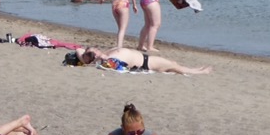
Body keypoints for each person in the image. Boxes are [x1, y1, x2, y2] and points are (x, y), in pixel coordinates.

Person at [72, 46, 212, 75]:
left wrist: (87, 55)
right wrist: (91, 58)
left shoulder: (107, 53)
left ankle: (196, 70)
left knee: (174, 65)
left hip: (146, 59)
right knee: (174, 66)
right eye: (93, 53)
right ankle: (199, 72)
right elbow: (82, 54)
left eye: (95, 49)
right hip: (147, 63)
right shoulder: (109, 60)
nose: (96, 51)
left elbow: (78, 49)